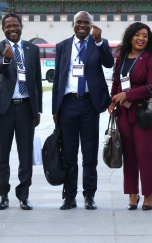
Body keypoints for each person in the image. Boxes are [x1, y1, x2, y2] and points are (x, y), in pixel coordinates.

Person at [52, 11, 114, 210]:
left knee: (89, 153)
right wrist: (55, 108)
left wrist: (98, 42)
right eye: (79, 22)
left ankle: (89, 195)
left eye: (86, 22)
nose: (82, 25)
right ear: (73, 24)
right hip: (68, 104)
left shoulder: (97, 44)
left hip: (89, 104)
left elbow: (109, 63)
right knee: (69, 154)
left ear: (91, 25)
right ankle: (69, 196)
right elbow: (58, 80)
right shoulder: (62, 46)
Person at [107, 22, 152, 210]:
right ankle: (132, 193)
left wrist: (127, 95)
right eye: (138, 35)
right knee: (129, 154)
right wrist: (113, 100)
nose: (141, 38)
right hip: (124, 113)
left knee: (144, 154)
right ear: (130, 37)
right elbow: (117, 81)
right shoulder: (121, 57)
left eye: (145, 35)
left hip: (146, 114)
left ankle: (148, 194)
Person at [0, 13, 42, 211]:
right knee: (2, 155)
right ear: (3, 29)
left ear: (21, 27)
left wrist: (37, 111)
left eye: (15, 25)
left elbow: (37, 81)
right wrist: (6, 59)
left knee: (25, 154)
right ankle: (3, 195)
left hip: (26, 108)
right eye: (8, 26)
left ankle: (24, 195)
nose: (12, 29)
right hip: (4, 109)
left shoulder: (32, 49)